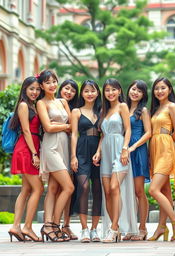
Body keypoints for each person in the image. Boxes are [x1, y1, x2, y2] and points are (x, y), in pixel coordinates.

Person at [93, 78, 138, 243]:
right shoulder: (103, 111)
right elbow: (103, 135)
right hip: (105, 151)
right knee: (107, 192)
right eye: (107, 90)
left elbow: (128, 130)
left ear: (119, 91)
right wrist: (98, 152)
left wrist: (125, 149)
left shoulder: (123, 106)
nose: (110, 93)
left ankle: (113, 228)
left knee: (114, 187)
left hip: (120, 150)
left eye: (113, 89)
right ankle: (116, 228)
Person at [148, 77, 175, 242]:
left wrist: (166, 143)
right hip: (154, 149)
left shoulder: (172, 106)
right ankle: (161, 228)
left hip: (166, 149)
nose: (159, 91)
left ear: (169, 90)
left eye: (163, 88)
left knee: (153, 189)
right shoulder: (156, 108)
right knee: (164, 192)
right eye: (156, 88)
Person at [37, 70, 74, 242]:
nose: (52, 85)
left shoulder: (62, 101)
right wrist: (64, 126)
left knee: (53, 188)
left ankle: (48, 225)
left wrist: (59, 125)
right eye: (48, 82)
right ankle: (52, 225)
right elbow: (47, 128)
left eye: (54, 81)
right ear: (42, 85)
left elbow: (72, 126)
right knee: (68, 187)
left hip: (64, 146)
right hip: (51, 146)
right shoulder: (41, 103)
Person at [8, 76, 44, 242]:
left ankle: (16, 226)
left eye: (37, 89)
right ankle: (27, 227)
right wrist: (34, 154)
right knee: (38, 189)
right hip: (26, 149)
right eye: (31, 88)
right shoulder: (23, 105)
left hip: (31, 147)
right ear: (24, 89)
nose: (35, 92)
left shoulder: (33, 105)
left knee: (26, 190)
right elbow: (26, 131)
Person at [71, 80, 102, 243]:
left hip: (97, 151)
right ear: (82, 93)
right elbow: (74, 134)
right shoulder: (76, 111)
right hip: (81, 150)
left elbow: (103, 134)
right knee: (83, 187)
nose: (90, 94)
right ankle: (84, 229)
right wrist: (73, 156)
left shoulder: (102, 111)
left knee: (97, 189)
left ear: (97, 93)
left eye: (93, 91)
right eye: (86, 91)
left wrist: (99, 151)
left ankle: (94, 229)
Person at [123, 80, 151, 241]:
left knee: (139, 191)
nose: (135, 92)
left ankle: (142, 228)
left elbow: (148, 133)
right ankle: (131, 227)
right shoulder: (123, 108)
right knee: (127, 192)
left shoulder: (143, 111)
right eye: (133, 89)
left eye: (139, 91)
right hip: (124, 151)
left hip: (137, 150)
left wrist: (134, 147)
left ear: (143, 95)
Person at [56, 79, 79, 240]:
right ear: (60, 89)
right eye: (66, 88)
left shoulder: (76, 109)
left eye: (72, 90)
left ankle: (66, 225)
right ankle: (53, 224)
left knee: (69, 189)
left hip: (72, 151)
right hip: (57, 148)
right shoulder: (54, 104)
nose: (69, 92)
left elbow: (74, 128)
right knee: (56, 188)